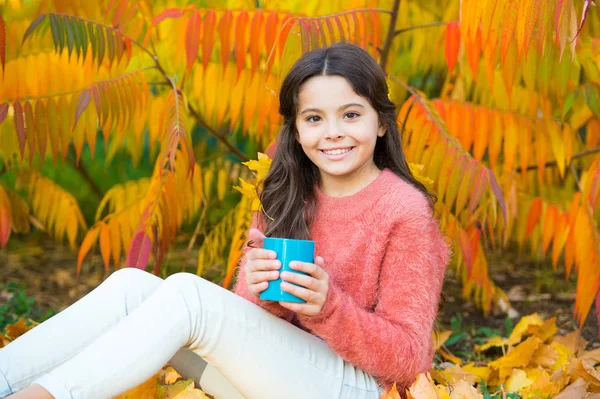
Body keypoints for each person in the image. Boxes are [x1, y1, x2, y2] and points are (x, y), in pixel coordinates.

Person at [0, 42, 450, 399]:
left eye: (351, 115)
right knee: (129, 287)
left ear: (381, 123)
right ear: (296, 130)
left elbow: (410, 356)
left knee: (187, 295)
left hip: (355, 388)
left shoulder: (403, 210)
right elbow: (244, 329)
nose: (332, 132)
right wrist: (257, 290)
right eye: (314, 118)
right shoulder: (286, 192)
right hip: (275, 380)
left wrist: (329, 308)